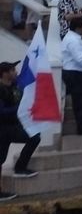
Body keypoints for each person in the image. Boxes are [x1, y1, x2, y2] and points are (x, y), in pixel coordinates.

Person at [0, 61, 42, 201]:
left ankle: (20, 168)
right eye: (12, 70)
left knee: (34, 137)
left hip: (13, 126)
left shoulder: (14, 86)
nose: (16, 72)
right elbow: (2, 111)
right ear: (5, 73)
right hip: (3, 128)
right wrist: (18, 109)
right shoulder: (1, 89)